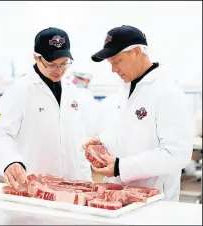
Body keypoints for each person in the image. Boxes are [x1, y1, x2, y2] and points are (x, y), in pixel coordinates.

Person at [83, 25, 193, 201]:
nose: (113, 70)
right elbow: (130, 133)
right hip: (120, 197)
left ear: (136, 52)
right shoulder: (126, 90)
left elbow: (178, 153)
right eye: (110, 64)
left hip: (154, 202)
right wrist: (104, 142)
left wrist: (121, 167)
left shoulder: (167, 91)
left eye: (117, 61)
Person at [0, 27, 96, 189]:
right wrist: (10, 161)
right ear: (36, 57)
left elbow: (78, 140)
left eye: (64, 63)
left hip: (75, 187)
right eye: (51, 64)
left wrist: (86, 179)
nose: (59, 70)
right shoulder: (20, 91)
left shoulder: (72, 91)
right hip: (36, 187)